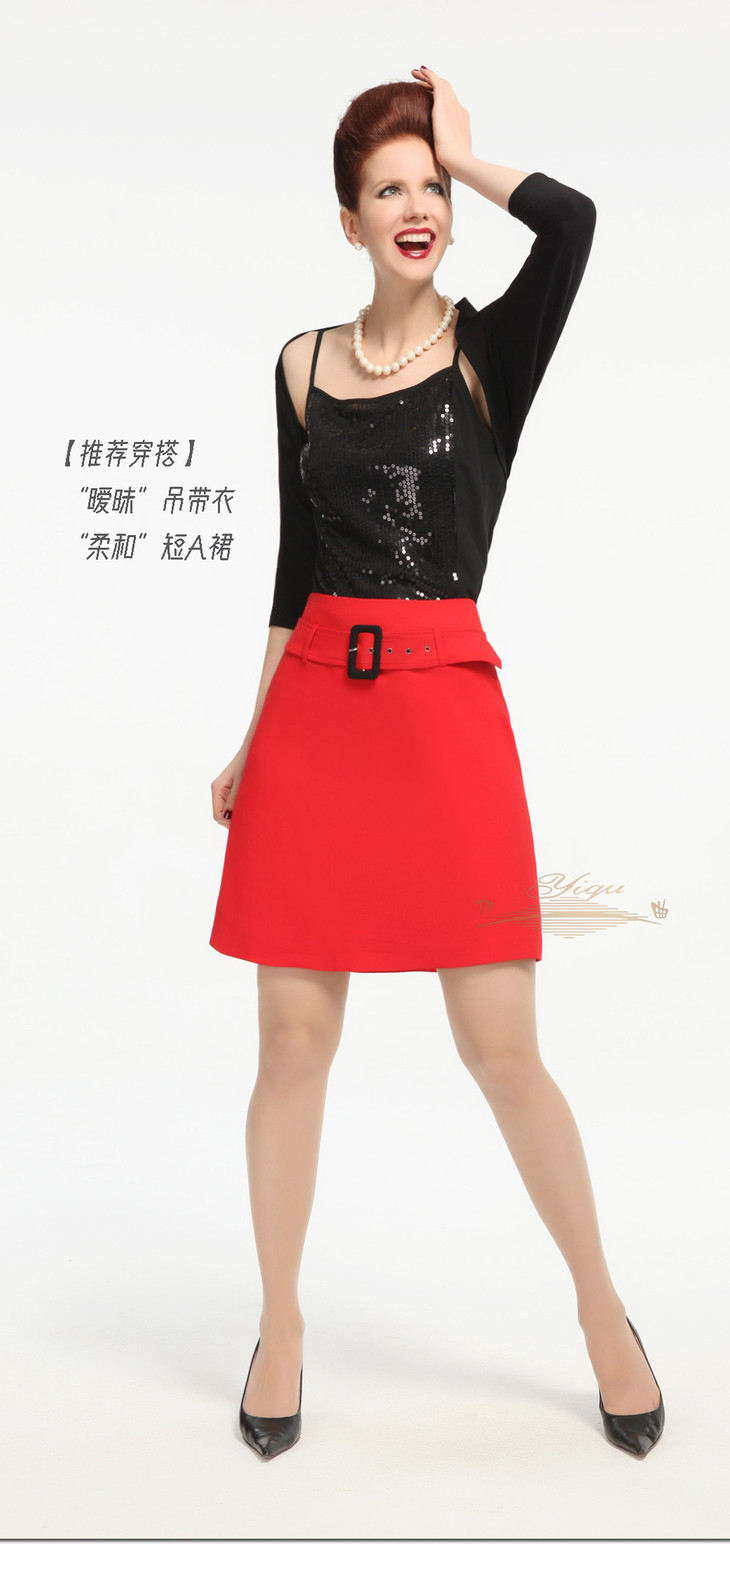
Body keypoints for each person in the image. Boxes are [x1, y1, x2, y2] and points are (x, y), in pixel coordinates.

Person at [208, 66, 665, 1461]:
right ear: (346, 218)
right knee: (291, 1046)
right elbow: (292, 573)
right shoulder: (299, 366)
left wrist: (465, 156)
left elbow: (573, 223)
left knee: (502, 1051)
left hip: (445, 719)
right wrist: (252, 733)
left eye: (428, 188)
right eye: (388, 187)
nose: (415, 206)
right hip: (314, 723)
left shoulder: (488, 352)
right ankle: (280, 1326)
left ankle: (601, 1312)